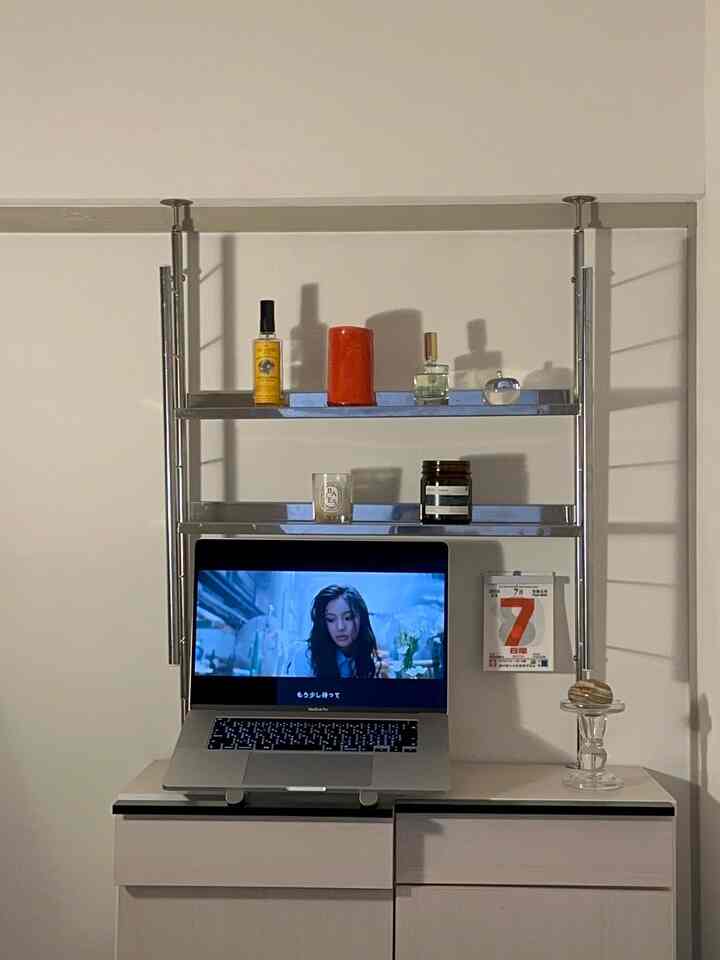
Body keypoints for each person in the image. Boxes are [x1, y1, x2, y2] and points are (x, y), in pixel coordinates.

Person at [289, 585, 384, 679]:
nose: (340, 627)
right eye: (331, 619)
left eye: (348, 618)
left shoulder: (369, 655)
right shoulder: (306, 656)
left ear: (361, 619)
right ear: (323, 623)